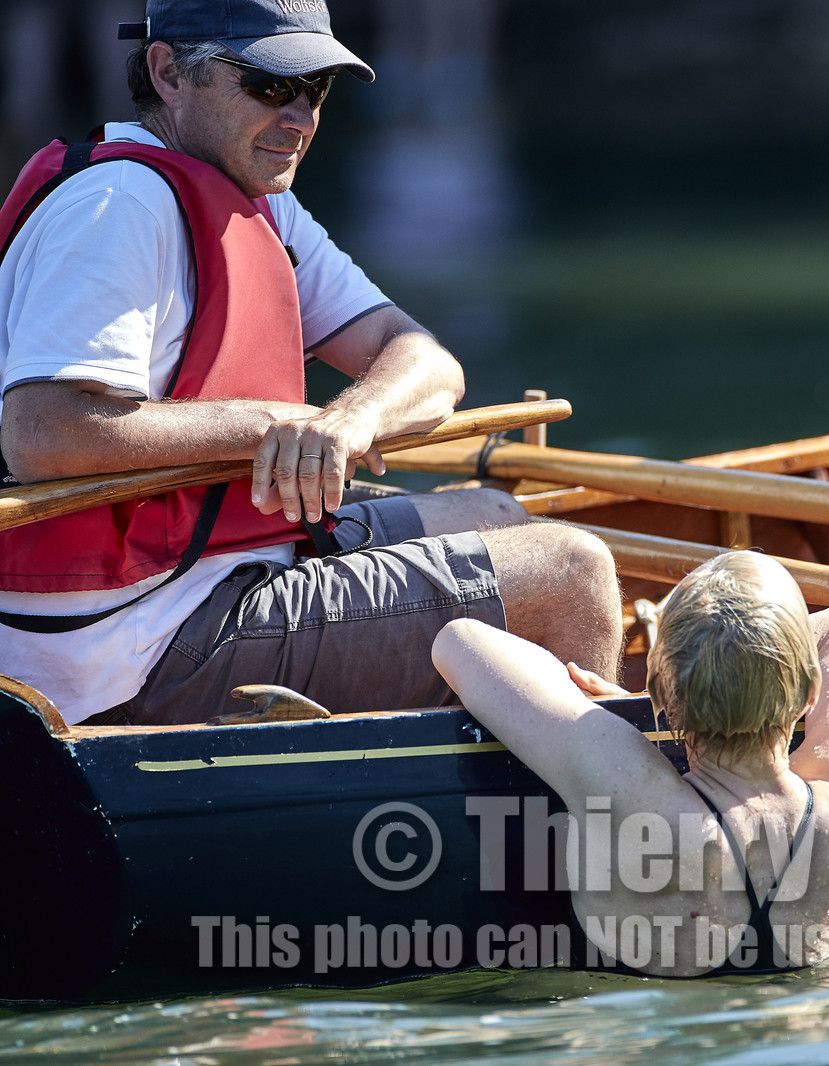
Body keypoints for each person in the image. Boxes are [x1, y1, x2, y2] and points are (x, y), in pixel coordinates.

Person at [0, 0, 623, 727]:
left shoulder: (258, 199)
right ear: (167, 73)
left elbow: (428, 365)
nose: (299, 118)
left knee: (498, 513)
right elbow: (41, 434)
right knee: (573, 573)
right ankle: (592, 793)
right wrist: (273, 426)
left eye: (315, 90)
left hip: (201, 578)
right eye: (269, 86)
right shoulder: (119, 205)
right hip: (117, 649)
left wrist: (349, 421)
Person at [432, 550, 829, 976]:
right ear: (810, 690)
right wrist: (762, 651)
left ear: (661, 694)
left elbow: (458, 639)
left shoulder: (622, 781)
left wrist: (621, 716)